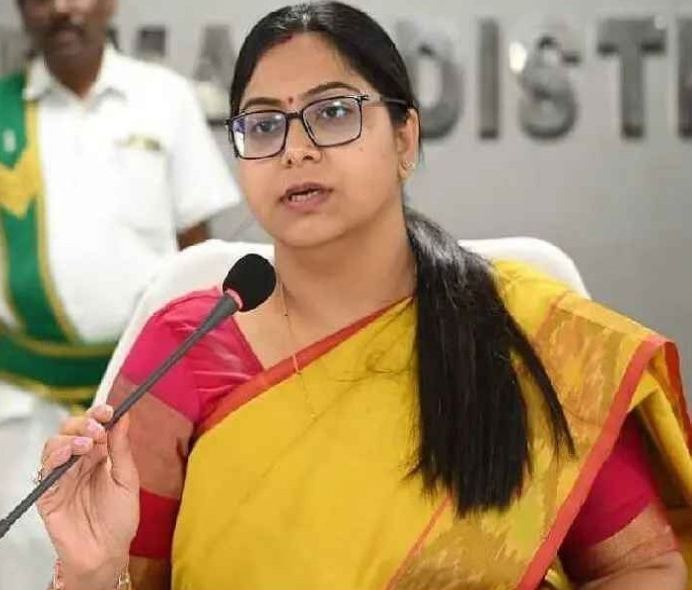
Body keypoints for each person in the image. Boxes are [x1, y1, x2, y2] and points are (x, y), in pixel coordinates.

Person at [36, 2, 691, 589]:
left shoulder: (526, 336)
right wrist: (92, 575)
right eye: (263, 125)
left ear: (404, 138)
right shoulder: (185, 350)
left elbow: (642, 569)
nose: (295, 149)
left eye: (332, 113)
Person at [0, 0, 240, 588]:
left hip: (146, 392)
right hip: (28, 394)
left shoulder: (164, 98)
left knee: (139, 561)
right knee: (26, 563)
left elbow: (197, 253)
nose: (61, 10)